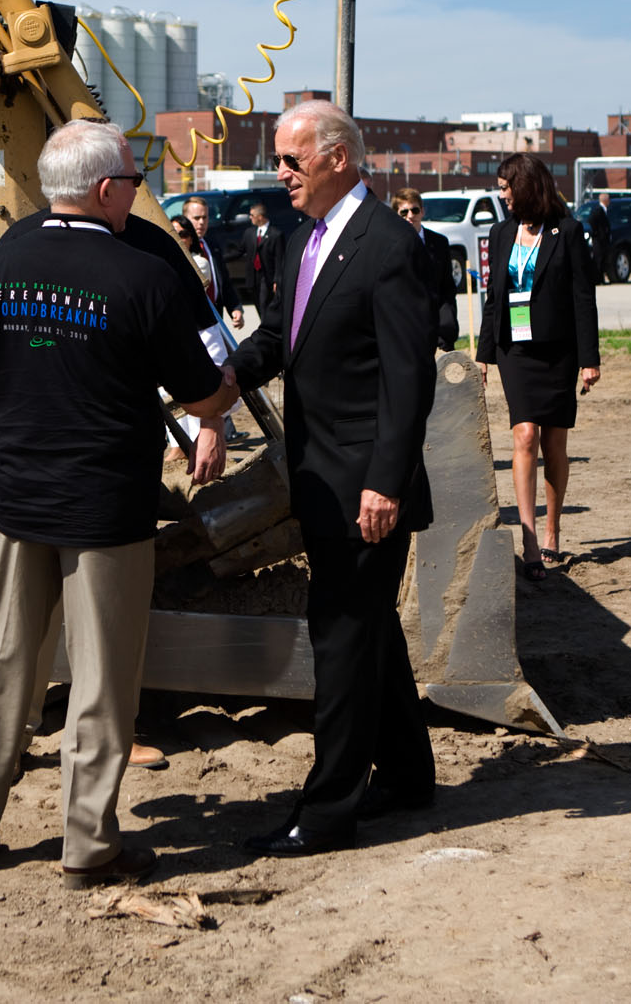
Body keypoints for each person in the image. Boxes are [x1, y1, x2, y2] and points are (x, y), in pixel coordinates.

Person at [0, 119, 236, 888]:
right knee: (100, 682)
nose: (136, 193)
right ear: (105, 190)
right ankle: (87, 846)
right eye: (132, 182)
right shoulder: (143, 274)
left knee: (0, 667)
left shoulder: (0, 263)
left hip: (17, 504)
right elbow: (202, 388)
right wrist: (222, 396)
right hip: (108, 508)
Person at [226, 100, 437, 857]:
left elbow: (409, 381)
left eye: (292, 159)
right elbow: (282, 335)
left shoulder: (389, 245)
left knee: (343, 641)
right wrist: (221, 381)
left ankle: (326, 811)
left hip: (365, 490)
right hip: (318, 477)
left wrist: (386, 481)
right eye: (278, 159)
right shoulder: (298, 242)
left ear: (339, 158)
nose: (279, 172)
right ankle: (410, 775)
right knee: (367, 627)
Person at [474, 154, 601, 583]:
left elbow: (584, 297)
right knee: (524, 434)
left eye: (507, 187)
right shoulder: (501, 232)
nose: (502, 195)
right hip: (516, 352)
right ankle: (528, 538)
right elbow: (493, 296)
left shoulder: (566, 231)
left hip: (558, 352)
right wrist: (484, 354)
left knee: (554, 443)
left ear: (526, 186)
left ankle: (552, 526)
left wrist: (589, 359)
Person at [391, 187, 459, 352]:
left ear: (422, 211)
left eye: (414, 210)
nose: (410, 216)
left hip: (438, 331)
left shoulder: (440, 242)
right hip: (406, 330)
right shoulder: (390, 246)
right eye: (404, 212)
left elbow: (447, 288)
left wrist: (447, 326)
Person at [180, 197, 244, 330]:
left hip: (215, 317)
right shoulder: (179, 249)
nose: (202, 222)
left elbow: (223, 281)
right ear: (185, 219)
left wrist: (235, 308)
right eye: (196, 218)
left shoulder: (212, 245)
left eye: (205, 217)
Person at [241, 202, 285, 320]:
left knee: (264, 302)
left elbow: (279, 258)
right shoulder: (249, 233)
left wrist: (277, 279)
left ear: (260, 217)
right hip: (253, 275)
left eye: (252, 215)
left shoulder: (276, 234)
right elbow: (241, 250)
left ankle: (265, 328)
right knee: (258, 304)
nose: (250, 218)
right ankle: (264, 323)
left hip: (267, 276)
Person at [587, 192, 614, 284]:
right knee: (598, 259)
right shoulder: (598, 210)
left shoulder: (605, 210)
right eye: (609, 199)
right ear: (605, 200)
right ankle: (597, 279)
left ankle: (601, 279)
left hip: (604, 240)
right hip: (598, 241)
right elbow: (591, 220)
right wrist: (596, 233)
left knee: (603, 260)